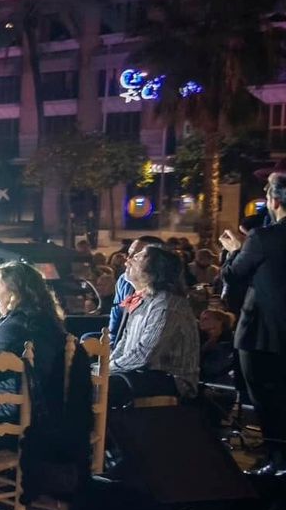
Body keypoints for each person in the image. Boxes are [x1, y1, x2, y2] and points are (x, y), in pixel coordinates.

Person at [0, 260, 89, 495]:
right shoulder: (49, 320)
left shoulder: (15, 324)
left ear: (13, 290)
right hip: (52, 415)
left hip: (16, 421)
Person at [220, 171, 286, 474]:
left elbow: (233, 275)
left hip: (261, 337)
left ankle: (277, 461)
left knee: (267, 402)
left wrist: (236, 250)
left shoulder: (262, 238)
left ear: (273, 200)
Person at [109, 245, 199, 408]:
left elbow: (145, 354)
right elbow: (124, 343)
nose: (128, 260)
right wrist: (107, 365)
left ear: (156, 269)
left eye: (138, 257)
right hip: (140, 373)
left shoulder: (167, 304)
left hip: (172, 380)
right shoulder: (144, 300)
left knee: (100, 388)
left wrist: (107, 369)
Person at [108, 236, 163, 345]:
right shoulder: (124, 280)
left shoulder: (162, 297)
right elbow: (117, 317)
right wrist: (111, 345)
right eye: (129, 253)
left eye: (137, 256)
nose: (128, 259)